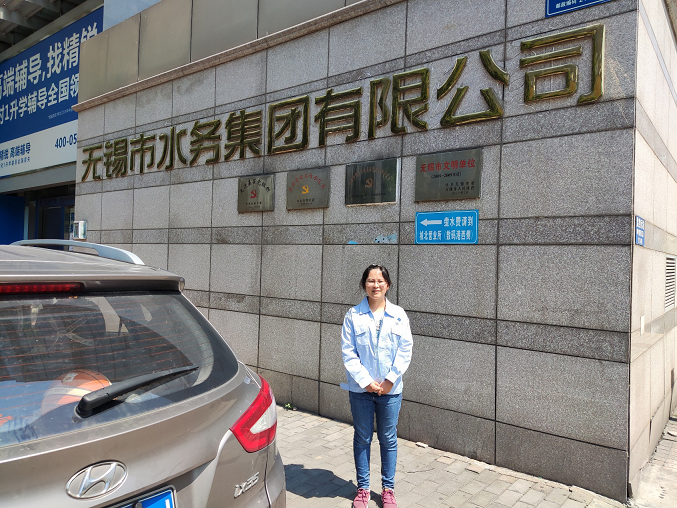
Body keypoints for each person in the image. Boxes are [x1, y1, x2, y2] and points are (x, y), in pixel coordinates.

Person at [341, 264, 413, 508]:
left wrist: (390, 379)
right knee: (362, 438)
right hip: (361, 391)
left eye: (380, 281)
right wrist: (366, 382)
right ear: (364, 285)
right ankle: (363, 489)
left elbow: (405, 349)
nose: (375, 285)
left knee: (388, 439)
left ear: (388, 285)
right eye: (371, 281)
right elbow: (348, 352)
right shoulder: (353, 315)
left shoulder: (399, 315)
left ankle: (388, 489)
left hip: (391, 391)